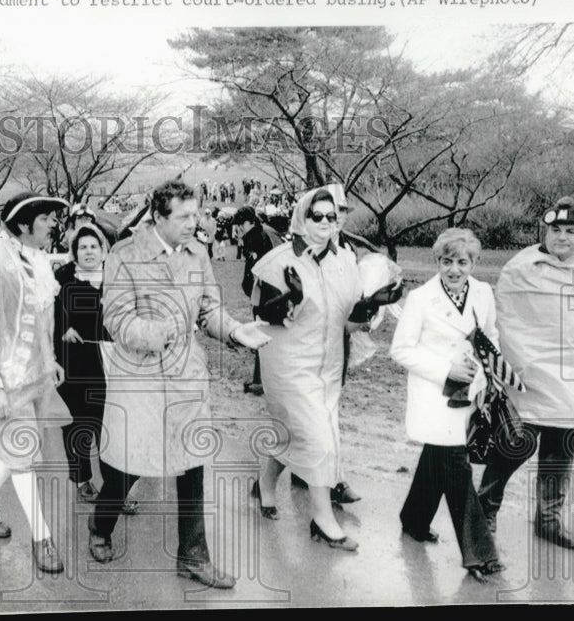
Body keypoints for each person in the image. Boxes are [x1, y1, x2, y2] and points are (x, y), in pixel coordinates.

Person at [88, 180, 270, 589]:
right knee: (128, 465)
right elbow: (116, 320)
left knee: (191, 460)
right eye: (184, 216)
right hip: (141, 378)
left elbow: (208, 309)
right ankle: (101, 526)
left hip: (186, 376)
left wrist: (237, 332)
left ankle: (193, 555)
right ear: (158, 216)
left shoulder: (198, 253)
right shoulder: (125, 255)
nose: (195, 223)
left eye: (197, 214)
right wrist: (163, 331)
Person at [478, 197, 574, 550]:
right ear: (546, 229)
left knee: (561, 450)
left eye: (572, 231)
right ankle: (484, 512)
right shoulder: (521, 266)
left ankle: (548, 519)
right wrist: (518, 366)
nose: (562, 237)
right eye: (556, 229)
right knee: (514, 445)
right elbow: (507, 322)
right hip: (529, 376)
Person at [249, 188, 374, 551]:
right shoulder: (277, 261)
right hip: (288, 363)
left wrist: (368, 311)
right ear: (302, 218)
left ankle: (265, 486)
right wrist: (285, 300)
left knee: (293, 433)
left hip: (328, 365)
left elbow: (347, 323)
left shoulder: (345, 261)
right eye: (316, 216)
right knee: (318, 438)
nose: (324, 223)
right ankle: (322, 520)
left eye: (330, 216)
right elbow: (263, 315)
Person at [0, 192, 72, 574]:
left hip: (38, 377)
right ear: (25, 225)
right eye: (46, 219)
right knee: (24, 456)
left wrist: (52, 359)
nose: (52, 225)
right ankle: (41, 538)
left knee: (17, 449)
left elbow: (42, 319)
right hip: (7, 380)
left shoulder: (38, 259)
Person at [390, 228, 505, 583]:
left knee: (437, 459)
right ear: (437, 261)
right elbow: (401, 350)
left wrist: (487, 380)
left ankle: (413, 519)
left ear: (474, 263)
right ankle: (479, 553)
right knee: (457, 465)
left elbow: (490, 338)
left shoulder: (484, 293)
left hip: (469, 394)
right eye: (446, 261)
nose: (454, 269)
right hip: (434, 395)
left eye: (462, 262)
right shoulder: (421, 298)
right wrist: (446, 370)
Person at [53, 222, 137, 515]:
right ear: (74, 253)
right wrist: (64, 329)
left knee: (116, 431)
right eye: (82, 247)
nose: (88, 251)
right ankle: (83, 480)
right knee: (80, 428)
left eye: (94, 246)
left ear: (104, 251)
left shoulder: (118, 283)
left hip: (117, 368)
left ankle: (114, 492)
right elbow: (51, 322)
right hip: (78, 369)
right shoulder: (64, 285)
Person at [233, 206, 280, 396]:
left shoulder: (258, 237)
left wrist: (261, 298)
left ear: (250, 221)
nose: (240, 229)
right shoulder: (266, 232)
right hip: (269, 294)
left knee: (263, 335)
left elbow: (262, 269)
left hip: (267, 295)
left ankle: (261, 381)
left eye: (241, 224)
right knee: (267, 334)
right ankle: (263, 380)